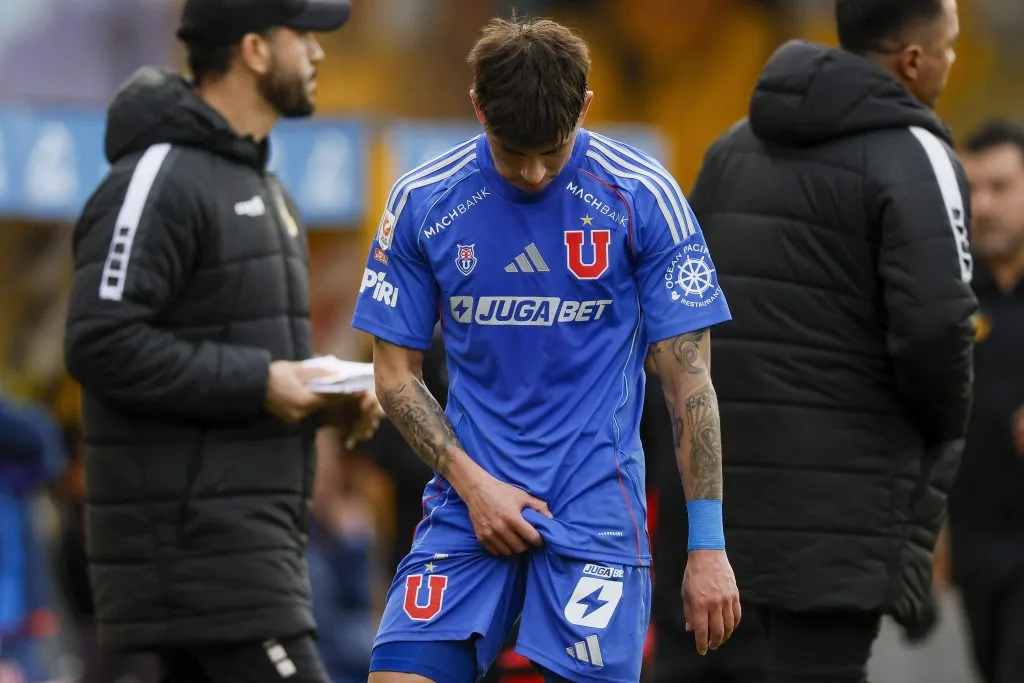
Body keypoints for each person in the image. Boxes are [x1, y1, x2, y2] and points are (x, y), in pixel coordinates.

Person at [352, 15, 741, 683]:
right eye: (511, 153)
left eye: (553, 152)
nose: (532, 174)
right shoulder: (423, 201)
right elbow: (393, 375)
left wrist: (708, 546)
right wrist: (474, 487)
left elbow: (691, 383)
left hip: (595, 511)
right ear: (477, 108)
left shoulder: (644, 198)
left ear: (587, 109)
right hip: (467, 504)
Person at [62, 1, 380, 682]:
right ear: (255, 50)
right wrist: (265, 381)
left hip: (251, 555)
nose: (319, 54)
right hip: (206, 561)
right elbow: (101, 341)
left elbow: (236, 364)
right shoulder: (158, 178)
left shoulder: (265, 188)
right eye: (305, 36)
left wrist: (326, 399)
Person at [685, 0, 977, 681]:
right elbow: (940, 330)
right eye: (950, 46)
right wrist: (938, 435)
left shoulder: (729, 149)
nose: (954, 60)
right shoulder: (918, 154)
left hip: (726, 510)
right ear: (913, 60)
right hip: (842, 512)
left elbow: (686, 314)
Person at [948, 120, 1024, 683]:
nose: (984, 205)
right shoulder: (952, 296)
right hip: (976, 547)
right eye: (972, 190)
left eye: (1001, 188)